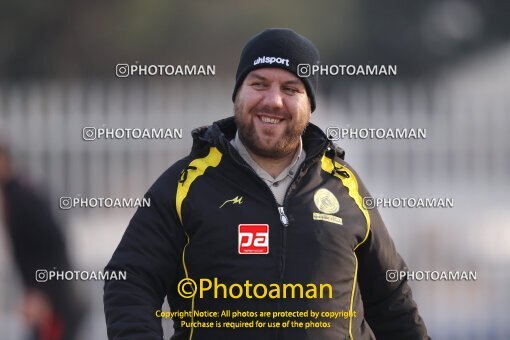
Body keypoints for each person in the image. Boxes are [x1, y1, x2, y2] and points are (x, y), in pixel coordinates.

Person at [104, 28, 429, 339]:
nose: (273, 100)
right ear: (239, 94)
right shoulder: (186, 184)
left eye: (290, 89)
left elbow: (392, 301)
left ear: (308, 105)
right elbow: (129, 280)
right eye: (259, 84)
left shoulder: (344, 186)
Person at [0, 144, 86, 340]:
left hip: (53, 305)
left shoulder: (24, 198)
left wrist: (43, 292)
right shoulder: (15, 195)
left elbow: (54, 243)